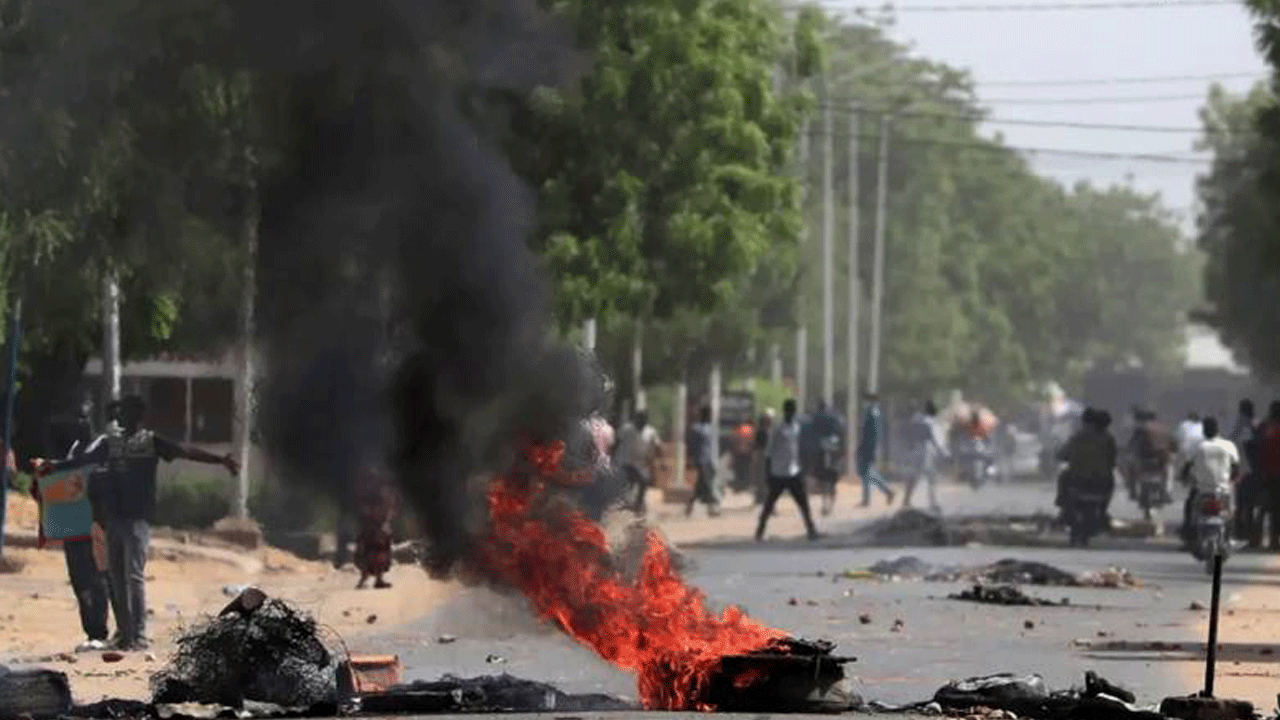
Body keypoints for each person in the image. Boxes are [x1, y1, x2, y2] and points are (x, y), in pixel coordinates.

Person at [34, 395, 239, 651]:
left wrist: (220, 460)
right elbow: (83, 461)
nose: (121, 417)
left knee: (133, 576)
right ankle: (124, 634)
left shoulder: (151, 441)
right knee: (118, 578)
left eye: (127, 412)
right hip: (114, 518)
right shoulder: (110, 443)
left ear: (138, 416)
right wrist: (54, 466)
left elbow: (185, 451)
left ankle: (139, 636)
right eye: (120, 412)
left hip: (138, 518)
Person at [44, 412, 113, 651]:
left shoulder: (102, 445)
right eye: (79, 419)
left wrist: (54, 466)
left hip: (94, 523)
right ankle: (90, 631)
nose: (82, 423)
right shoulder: (74, 447)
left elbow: (81, 465)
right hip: (72, 522)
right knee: (79, 580)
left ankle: (101, 632)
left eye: (86, 417)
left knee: (96, 579)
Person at [755, 399, 819, 542]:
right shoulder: (778, 428)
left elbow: (796, 449)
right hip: (779, 472)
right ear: (786, 412)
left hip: (793, 471)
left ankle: (811, 530)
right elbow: (769, 452)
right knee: (769, 503)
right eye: (789, 411)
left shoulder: (796, 427)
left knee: (803, 503)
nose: (791, 414)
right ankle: (759, 531)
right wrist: (768, 472)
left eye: (793, 412)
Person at [1182, 416, 1239, 548]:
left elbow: (1186, 468)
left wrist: (1185, 479)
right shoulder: (1229, 446)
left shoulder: (1198, 447)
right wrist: (1230, 482)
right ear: (1218, 430)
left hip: (1202, 491)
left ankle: (1189, 538)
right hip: (1223, 490)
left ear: (1204, 431)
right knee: (1230, 514)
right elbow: (1236, 469)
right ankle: (1230, 537)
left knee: (1190, 510)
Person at [1055, 408, 1118, 521]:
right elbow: (1113, 461)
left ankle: (1064, 509)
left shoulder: (1077, 437)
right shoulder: (1108, 438)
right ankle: (1103, 511)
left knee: (1063, 477)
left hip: (1078, 480)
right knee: (1111, 481)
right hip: (1101, 482)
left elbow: (1062, 454)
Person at [354, 468, 397, 589]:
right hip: (370, 527)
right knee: (367, 552)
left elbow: (388, 509)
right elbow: (363, 510)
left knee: (379, 553)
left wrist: (386, 521)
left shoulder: (382, 492)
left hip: (377, 527)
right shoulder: (366, 494)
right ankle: (365, 579)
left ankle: (377, 579)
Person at [614, 410, 662, 515]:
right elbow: (616, 442)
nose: (640, 422)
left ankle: (638, 504)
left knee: (644, 481)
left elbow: (657, 446)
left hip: (640, 464)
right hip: (625, 462)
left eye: (643, 421)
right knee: (627, 485)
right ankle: (624, 505)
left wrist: (659, 460)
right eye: (638, 420)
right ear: (635, 420)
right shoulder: (626, 429)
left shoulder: (650, 431)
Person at [903, 401, 949, 511]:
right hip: (926, 451)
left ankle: (906, 499)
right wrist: (944, 452)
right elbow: (934, 439)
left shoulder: (913, 421)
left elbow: (907, 438)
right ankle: (933, 503)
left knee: (913, 476)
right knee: (931, 477)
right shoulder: (928, 422)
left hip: (915, 451)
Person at [1123, 409, 1175, 506]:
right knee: (1168, 471)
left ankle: (1133, 491)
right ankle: (1166, 492)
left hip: (1144, 458)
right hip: (1161, 458)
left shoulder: (1140, 429)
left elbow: (1133, 444)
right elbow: (1172, 443)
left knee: (1130, 468)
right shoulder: (1163, 427)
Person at [1229, 400, 1261, 547]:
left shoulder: (1242, 425)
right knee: (1251, 505)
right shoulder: (1257, 424)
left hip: (1244, 471)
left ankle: (1243, 533)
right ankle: (1250, 534)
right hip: (1255, 470)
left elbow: (1235, 443)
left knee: (1243, 505)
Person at [856, 392, 894, 507]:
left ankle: (883, 492)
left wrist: (864, 446)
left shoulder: (871, 412)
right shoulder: (877, 412)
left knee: (866, 472)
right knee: (867, 473)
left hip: (870, 446)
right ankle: (880, 493)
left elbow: (870, 432)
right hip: (873, 445)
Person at [809, 400, 844, 516]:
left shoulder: (815, 418)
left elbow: (811, 434)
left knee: (823, 480)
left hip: (820, 452)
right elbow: (839, 434)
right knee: (832, 481)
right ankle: (831, 506)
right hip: (833, 452)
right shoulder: (833, 418)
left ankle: (824, 505)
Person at [685, 406, 720, 517]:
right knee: (707, 483)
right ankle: (712, 508)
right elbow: (691, 444)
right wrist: (690, 458)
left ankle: (690, 506)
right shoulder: (696, 428)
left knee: (700, 485)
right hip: (700, 459)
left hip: (710, 459)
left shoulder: (711, 428)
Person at [1254, 401, 1280, 550]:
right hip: (1271, 473)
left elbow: (1257, 449)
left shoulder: (1264, 428)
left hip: (1267, 474)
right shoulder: (1266, 427)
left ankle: (1266, 538)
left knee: (1267, 507)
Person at [751, 409, 774, 506]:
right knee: (760, 478)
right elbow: (756, 444)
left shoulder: (768, 431)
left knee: (764, 478)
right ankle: (760, 497)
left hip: (766, 456)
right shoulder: (763, 431)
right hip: (763, 456)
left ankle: (763, 498)